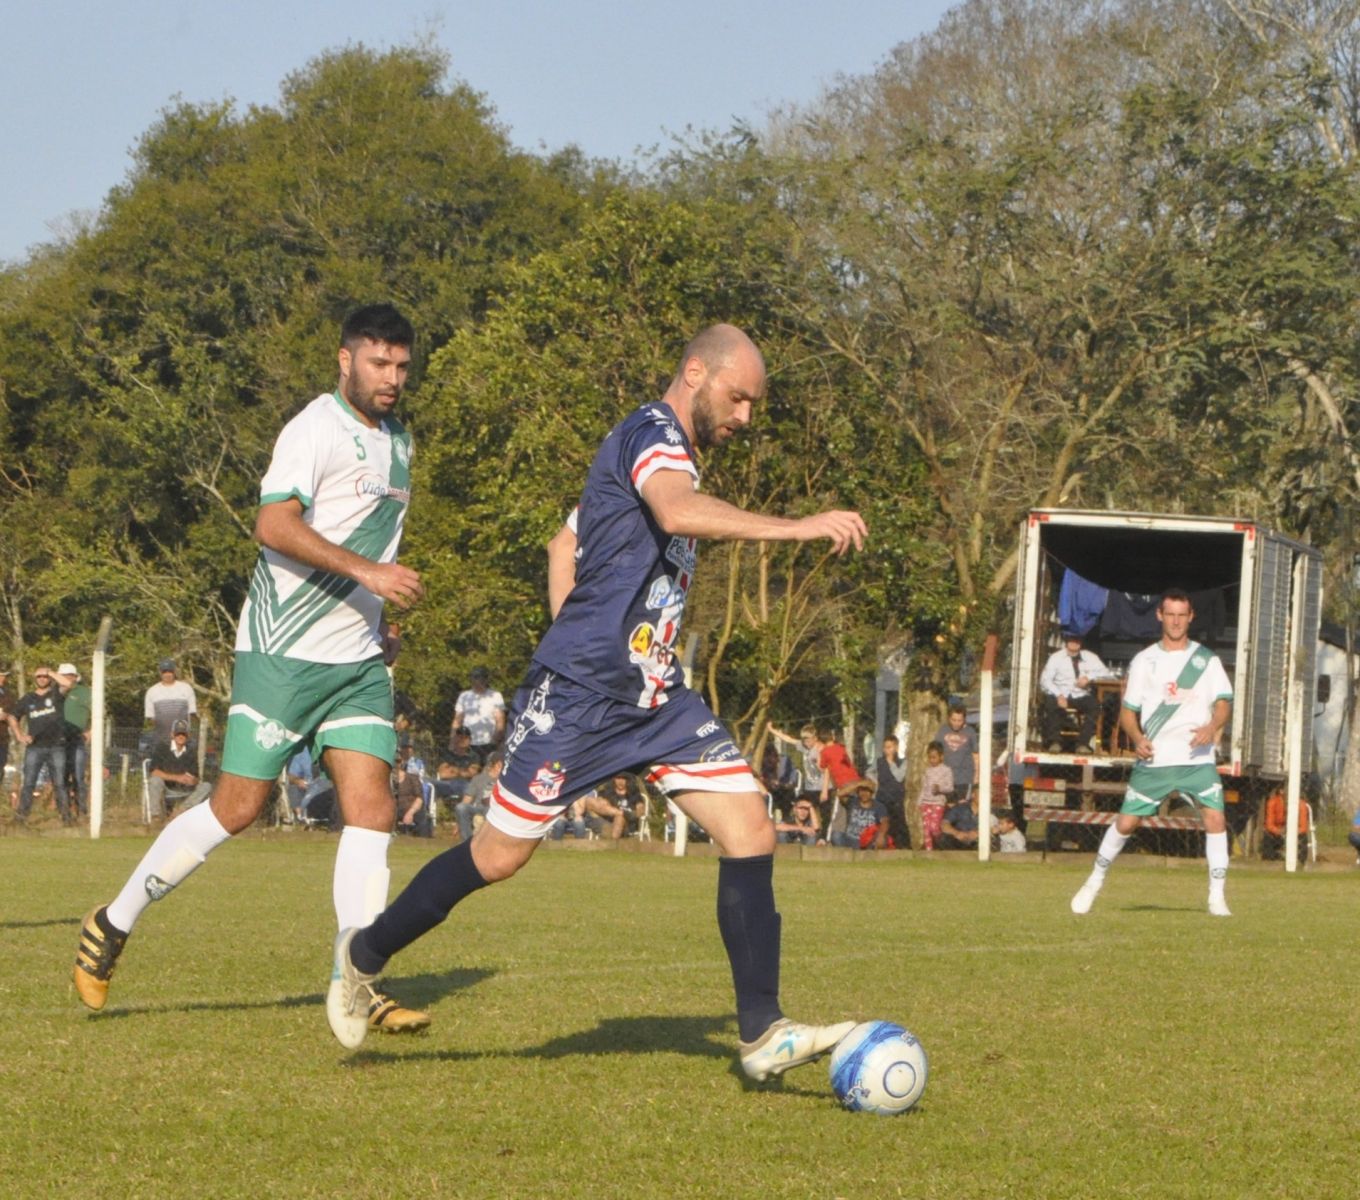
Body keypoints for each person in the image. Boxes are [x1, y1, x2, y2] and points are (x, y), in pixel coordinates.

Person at [326, 323, 868, 1080]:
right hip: (577, 703)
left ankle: (761, 1032)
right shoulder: (653, 436)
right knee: (498, 855)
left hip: (655, 699)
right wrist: (802, 528)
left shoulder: (653, 454)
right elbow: (678, 511)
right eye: (738, 397)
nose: (746, 416)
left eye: (753, 403)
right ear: (694, 373)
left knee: (749, 829)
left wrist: (583, 625)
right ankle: (362, 956)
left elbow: (563, 541)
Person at [73, 304, 430, 1037]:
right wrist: (369, 570)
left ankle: (355, 977)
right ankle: (112, 922)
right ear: (344, 360)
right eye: (378, 364)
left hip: (357, 662)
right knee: (237, 808)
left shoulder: (399, 440)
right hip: (282, 652)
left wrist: (378, 611)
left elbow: (372, 543)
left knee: (374, 810)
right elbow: (274, 524)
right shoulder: (313, 428)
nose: (392, 378)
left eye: (401, 365)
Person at [1070, 589, 1234, 917]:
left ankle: (1216, 897)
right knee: (1127, 823)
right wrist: (1137, 737)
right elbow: (1128, 713)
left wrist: (1211, 726)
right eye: (1170, 614)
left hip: (1195, 759)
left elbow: (1223, 704)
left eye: (1181, 615)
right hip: (1156, 759)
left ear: (1191, 618)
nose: (1175, 621)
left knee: (1215, 819)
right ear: (1159, 615)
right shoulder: (1144, 660)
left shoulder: (1207, 660)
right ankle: (1094, 881)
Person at [7, 667, 72, 823]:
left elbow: (68, 683)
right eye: (39, 676)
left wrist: (51, 672)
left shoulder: (55, 694)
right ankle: (21, 817)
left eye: (45, 676)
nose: (42, 679)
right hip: (35, 747)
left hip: (56, 745)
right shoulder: (28, 698)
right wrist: (19, 735)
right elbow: (12, 716)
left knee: (59, 783)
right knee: (29, 782)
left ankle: (66, 818)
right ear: (34, 679)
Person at [1038, 632, 1109, 753]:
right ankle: (1055, 742)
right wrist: (1058, 695)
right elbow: (1045, 680)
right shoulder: (1056, 657)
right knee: (1050, 703)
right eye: (1071, 640)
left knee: (1095, 706)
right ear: (1066, 641)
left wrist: (1088, 678)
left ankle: (1082, 743)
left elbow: (1106, 673)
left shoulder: (1090, 657)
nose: (1074, 643)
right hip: (1060, 693)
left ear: (1081, 643)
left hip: (1080, 694)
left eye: (1077, 640)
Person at [146, 720, 214, 814]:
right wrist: (177, 778)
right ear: (172, 735)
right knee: (154, 781)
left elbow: (196, 778)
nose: (181, 736)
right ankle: (155, 816)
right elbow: (154, 772)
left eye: (184, 734)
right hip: (167, 788)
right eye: (178, 734)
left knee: (207, 786)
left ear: (188, 736)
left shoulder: (191, 752)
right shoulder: (162, 748)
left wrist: (192, 780)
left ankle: (180, 811)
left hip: (185, 789)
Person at [450, 667, 506, 765]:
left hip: (488, 742)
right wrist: (453, 740)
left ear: (486, 679)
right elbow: (457, 720)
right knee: (470, 771)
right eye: (474, 677)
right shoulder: (464, 696)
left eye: (480, 677)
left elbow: (500, 721)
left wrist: (495, 740)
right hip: (468, 743)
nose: (477, 681)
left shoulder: (495, 696)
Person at [766, 722, 825, 814]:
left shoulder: (820, 749)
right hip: (810, 787)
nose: (806, 743)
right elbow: (788, 739)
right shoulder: (804, 747)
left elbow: (825, 770)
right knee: (810, 811)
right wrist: (772, 730)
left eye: (808, 741)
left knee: (823, 813)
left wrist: (817, 763)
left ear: (815, 738)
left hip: (822, 786)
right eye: (804, 741)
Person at [57, 662, 92, 817]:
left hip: (77, 739)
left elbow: (99, 713)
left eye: (69, 675)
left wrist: (91, 731)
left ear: (75, 677)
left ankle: (82, 810)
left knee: (78, 776)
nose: (66, 679)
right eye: (63, 676)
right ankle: (64, 812)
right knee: (60, 777)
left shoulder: (85, 692)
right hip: (57, 741)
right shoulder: (53, 693)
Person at [144, 659, 197, 748]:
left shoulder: (186, 688)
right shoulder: (152, 691)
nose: (167, 674)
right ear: (160, 673)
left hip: (182, 743)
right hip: (160, 743)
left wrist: (188, 734)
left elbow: (192, 715)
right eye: (164, 671)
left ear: (174, 672)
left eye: (170, 671)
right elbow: (151, 719)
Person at [869, 734, 910, 849]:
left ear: (896, 748)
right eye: (885, 747)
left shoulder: (903, 762)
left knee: (899, 824)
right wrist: (875, 781)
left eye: (890, 747)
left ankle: (903, 846)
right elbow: (869, 772)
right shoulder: (880, 761)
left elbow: (899, 777)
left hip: (896, 799)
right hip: (882, 798)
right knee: (882, 823)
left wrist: (891, 762)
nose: (887, 750)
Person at [935, 704, 978, 800]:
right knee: (948, 808)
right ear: (949, 718)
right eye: (953, 720)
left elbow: (975, 755)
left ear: (964, 719)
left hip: (965, 778)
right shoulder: (942, 731)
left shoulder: (970, 732)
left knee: (962, 806)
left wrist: (976, 775)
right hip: (946, 778)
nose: (956, 723)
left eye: (959, 720)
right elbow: (937, 753)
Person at [455, 754, 501, 843]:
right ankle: (467, 841)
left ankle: (486, 841)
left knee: (489, 810)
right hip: (478, 807)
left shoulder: (505, 780)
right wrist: (457, 824)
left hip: (494, 809)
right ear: (495, 764)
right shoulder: (478, 779)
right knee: (461, 807)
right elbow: (467, 799)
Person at [829, 781, 889, 849]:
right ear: (858, 792)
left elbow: (885, 822)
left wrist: (881, 834)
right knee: (835, 835)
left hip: (867, 841)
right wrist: (858, 784)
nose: (864, 794)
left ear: (872, 793)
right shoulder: (852, 802)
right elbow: (839, 794)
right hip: (849, 839)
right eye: (862, 791)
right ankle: (845, 855)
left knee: (883, 839)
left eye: (867, 791)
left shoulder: (879, 806)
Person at [917, 741, 953, 851]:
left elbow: (950, 787)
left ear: (941, 756)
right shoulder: (927, 771)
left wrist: (940, 788)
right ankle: (929, 852)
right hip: (926, 803)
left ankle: (941, 843)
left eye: (934, 757)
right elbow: (924, 787)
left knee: (934, 827)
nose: (932, 760)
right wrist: (920, 801)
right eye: (930, 757)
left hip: (938, 803)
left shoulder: (947, 770)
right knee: (926, 829)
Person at [1260, 788, 1308, 863]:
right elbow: (1269, 825)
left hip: (1296, 833)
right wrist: (1280, 831)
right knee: (1267, 836)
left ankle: (1300, 862)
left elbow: (1303, 827)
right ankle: (1271, 859)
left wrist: (1293, 832)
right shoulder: (1273, 803)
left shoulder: (1301, 805)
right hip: (1278, 832)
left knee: (1303, 837)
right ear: (1281, 791)